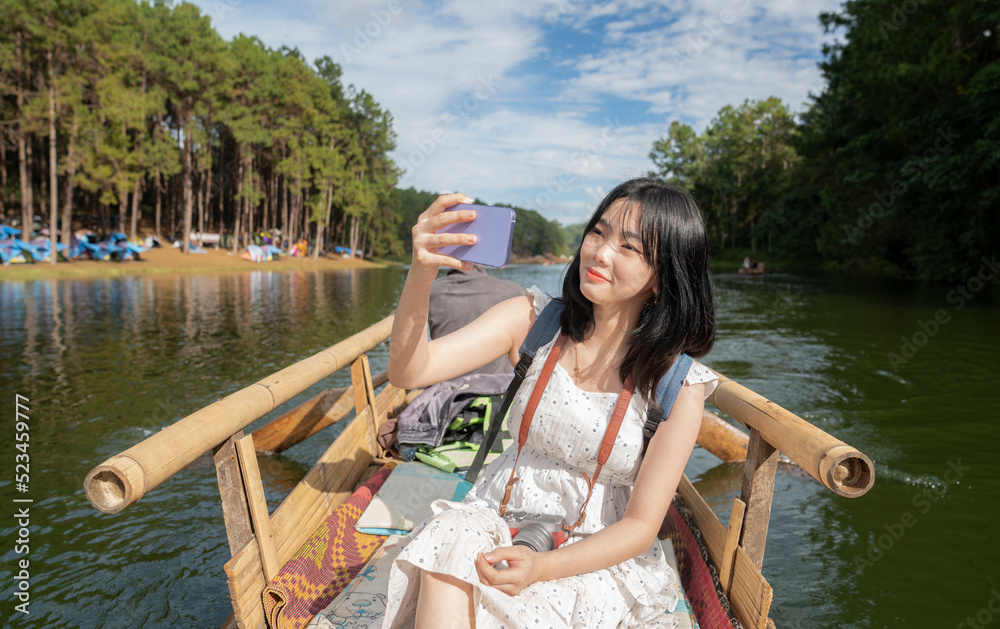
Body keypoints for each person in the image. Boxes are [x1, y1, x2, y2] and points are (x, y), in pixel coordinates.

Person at [385, 178, 718, 628]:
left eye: (629, 248)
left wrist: (542, 567)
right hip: (495, 519)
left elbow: (640, 527)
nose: (599, 252)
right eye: (597, 233)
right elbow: (410, 372)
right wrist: (420, 274)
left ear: (663, 277)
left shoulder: (678, 384)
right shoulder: (532, 321)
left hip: (593, 554)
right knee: (449, 533)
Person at [428, 264, 526, 375]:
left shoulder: (430, 291)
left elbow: (409, 347)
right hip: (498, 387)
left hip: (443, 387)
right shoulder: (514, 292)